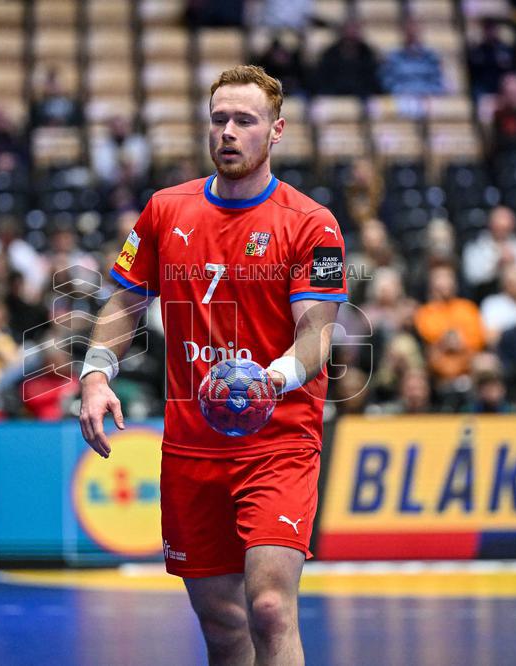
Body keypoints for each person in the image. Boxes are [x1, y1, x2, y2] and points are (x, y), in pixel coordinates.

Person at [79, 65, 345, 664]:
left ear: (276, 130)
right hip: (192, 446)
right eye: (219, 118)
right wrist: (95, 373)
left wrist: (268, 380)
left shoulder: (313, 225)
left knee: (269, 608)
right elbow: (124, 302)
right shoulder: (164, 210)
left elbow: (316, 337)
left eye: (244, 120)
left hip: (278, 441)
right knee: (223, 627)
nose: (228, 131)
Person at [314, 20, 381, 99]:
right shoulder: (330, 53)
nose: (351, 35)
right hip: (333, 93)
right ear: (342, 33)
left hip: (361, 94)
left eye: (354, 32)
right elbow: (323, 78)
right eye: (348, 32)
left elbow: (371, 79)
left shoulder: (367, 53)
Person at [381, 15, 444, 96]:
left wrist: (425, 94)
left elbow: (438, 82)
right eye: (409, 31)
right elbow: (388, 83)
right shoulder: (393, 57)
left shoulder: (431, 56)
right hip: (401, 97)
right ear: (404, 33)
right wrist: (404, 93)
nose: (413, 33)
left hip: (428, 97)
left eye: (415, 30)